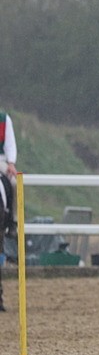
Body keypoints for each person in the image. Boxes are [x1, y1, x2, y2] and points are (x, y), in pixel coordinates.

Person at [0, 110, 16, 312]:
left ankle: (11, 221)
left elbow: (10, 144)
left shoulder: (4, 119)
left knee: (13, 183)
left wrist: (11, 162)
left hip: (0, 160)